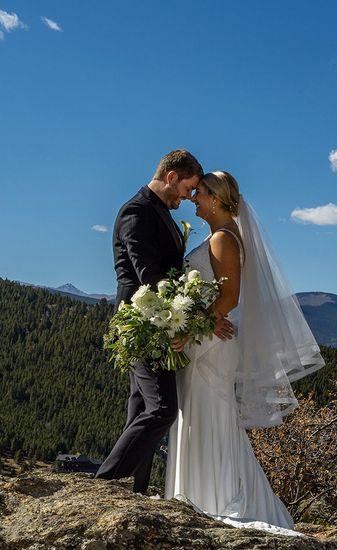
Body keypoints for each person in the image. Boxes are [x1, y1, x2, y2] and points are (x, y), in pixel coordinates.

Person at [164, 171, 325, 531]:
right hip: (208, 337)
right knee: (202, 414)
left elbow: (230, 297)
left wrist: (192, 329)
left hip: (211, 345)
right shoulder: (220, 236)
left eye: (200, 193)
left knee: (211, 416)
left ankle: (214, 499)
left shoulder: (224, 239)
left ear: (218, 200)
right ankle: (202, 496)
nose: (194, 199)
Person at [95, 150, 234, 494]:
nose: (188, 197)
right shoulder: (137, 211)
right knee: (162, 409)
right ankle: (103, 486)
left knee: (141, 408)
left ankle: (134, 493)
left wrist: (197, 318)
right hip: (144, 321)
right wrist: (190, 321)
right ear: (171, 177)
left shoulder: (161, 214)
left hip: (161, 320)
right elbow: (149, 276)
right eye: (187, 188)